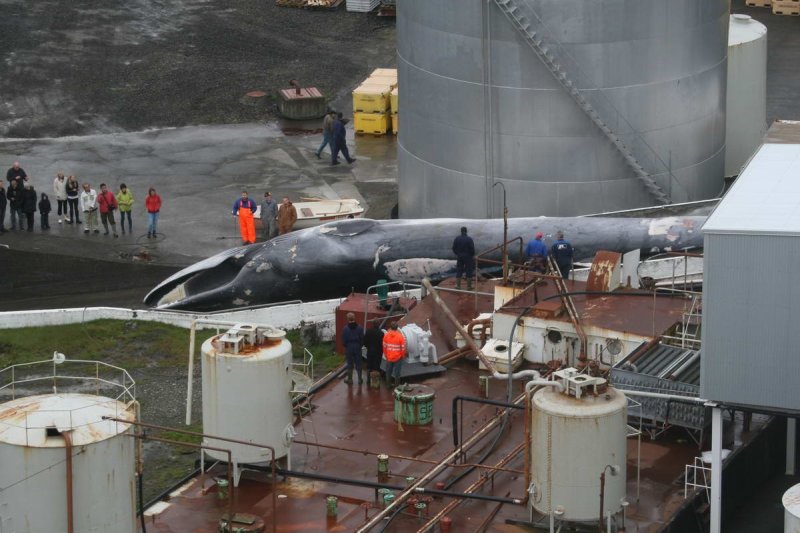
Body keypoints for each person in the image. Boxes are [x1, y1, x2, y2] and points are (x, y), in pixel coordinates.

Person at [341, 312, 365, 385]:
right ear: (354, 318)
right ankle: (360, 379)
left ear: (347, 319)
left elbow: (344, 341)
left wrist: (347, 346)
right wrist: (359, 346)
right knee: (359, 363)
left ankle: (350, 379)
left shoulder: (345, 329)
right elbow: (362, 339)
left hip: (349, 347)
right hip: (357, 347)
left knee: (349, 363)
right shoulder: (360, 328)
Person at [382, 322, 407, 388]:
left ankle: (388, 385)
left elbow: (384, 346)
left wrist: (386, 355)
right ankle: (397, 386)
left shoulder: (386, 335)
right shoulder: (400, 336)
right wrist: (402, 356)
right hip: (398, 357)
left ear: (390, 327)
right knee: (397, 373)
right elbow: (403, 348)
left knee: (388, 372)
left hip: (389, 356)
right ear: (397, 328)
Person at [363, 319, 385, 383]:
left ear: (373, 324)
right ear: (378, 324)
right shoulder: (381, 333)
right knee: (376, 367)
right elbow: (382, 344)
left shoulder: (368, 331)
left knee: (369, 366)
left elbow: (364, 342)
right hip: (378, 353)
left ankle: (368, 380)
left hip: (370, 351)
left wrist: (368, 347)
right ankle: (375, 382)